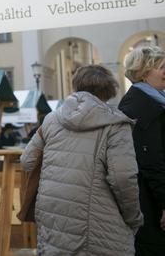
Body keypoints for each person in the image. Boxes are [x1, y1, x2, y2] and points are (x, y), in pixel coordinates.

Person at [21, 65, 143, 255]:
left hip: (53, 220)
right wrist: (134, 218)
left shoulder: (52, 119)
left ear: (77, 85)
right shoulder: (117, 124)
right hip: (101, 227)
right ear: (109, 90)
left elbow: (27, 161)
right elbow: (123, 179)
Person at [119, 45, 165, 255]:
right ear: (144, 73)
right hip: (151, 204)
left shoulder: (151, 99)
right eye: (162, 67)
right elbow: (152, 161)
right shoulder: (142, 105)